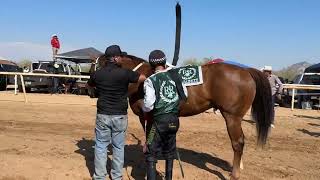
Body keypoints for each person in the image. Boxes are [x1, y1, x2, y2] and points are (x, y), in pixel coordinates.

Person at [87, 45, 146, 180]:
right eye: (120, 56)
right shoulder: (125, 73)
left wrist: (96, 91)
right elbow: (143, 77)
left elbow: (89, 87)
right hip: (119, 116)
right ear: (114, 58)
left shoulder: (97, 74)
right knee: (118, 147)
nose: (122, 59)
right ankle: (117, 176)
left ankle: (100, 176)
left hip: (102, 115)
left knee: (101, 146)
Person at [142, 50, 187, 180]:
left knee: (150, 153)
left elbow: (149, 105)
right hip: (174, 121)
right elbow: (185, 96)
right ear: (164, 62)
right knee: (169, 152)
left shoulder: (150, 80)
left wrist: (143, 107)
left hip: (158, 123)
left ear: (151, 65)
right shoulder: (175, 76)